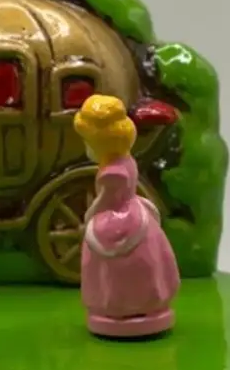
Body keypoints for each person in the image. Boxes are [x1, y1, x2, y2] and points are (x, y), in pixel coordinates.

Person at [73, 94, 179, 338]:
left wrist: (90, 217)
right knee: (147, 254)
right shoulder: (126, 160)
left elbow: (105, 201)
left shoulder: (111, 174)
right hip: (135, 211)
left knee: (110, 258)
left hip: (119, 219)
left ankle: (120, 305)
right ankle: (145, 300)